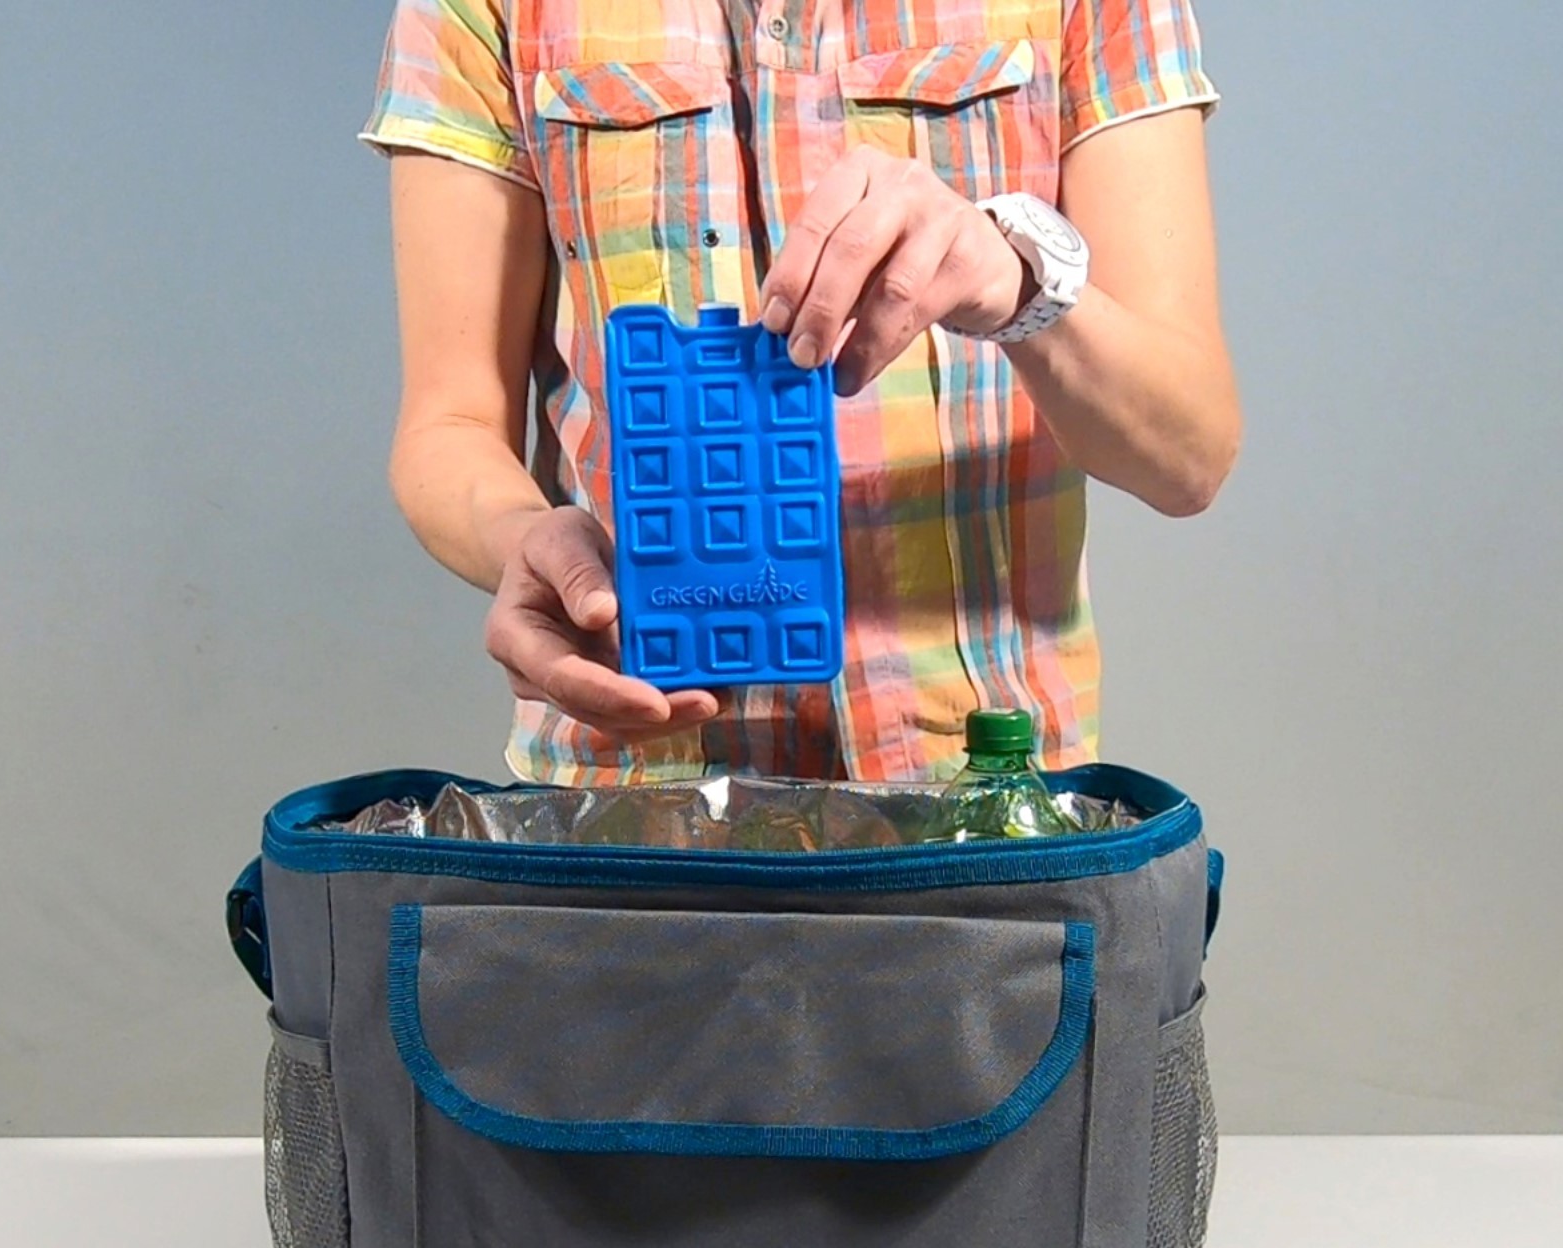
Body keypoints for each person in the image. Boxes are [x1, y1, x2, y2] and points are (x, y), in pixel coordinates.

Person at [363, 1, 1240, 786]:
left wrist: (1015, 284)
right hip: (639, 804)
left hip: (985, 802)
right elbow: (451, 423)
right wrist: (524, 542)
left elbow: (1188, 453)